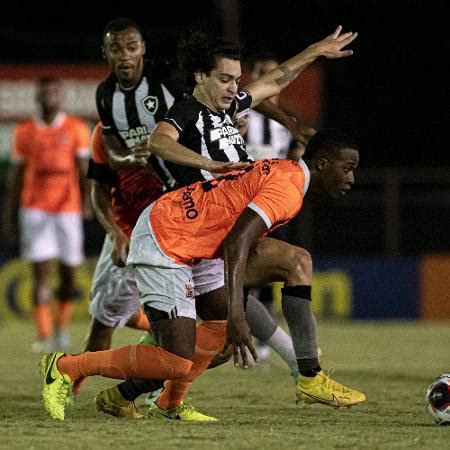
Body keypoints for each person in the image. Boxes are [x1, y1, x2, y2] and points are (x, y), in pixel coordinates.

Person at [40, 27, 366, 423]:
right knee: (167, 351)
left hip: (209, 236)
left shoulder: (226, 110)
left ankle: (168, 402)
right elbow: (159, 142)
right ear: (200, 77)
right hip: (176, 231)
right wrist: (208, 164)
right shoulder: (188, 111)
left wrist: (314, 49)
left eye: (235, 80)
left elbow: (272, 81)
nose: (234, 88)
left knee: (221, 336)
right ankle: (67, 367)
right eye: (225, 79)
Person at [74, 18, 246, 400]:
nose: (125, 55)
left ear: (144, 49)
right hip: (133, 226)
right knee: (105, 319)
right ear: (105, 54)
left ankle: (161, 394)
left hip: (183, 219)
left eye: (132, 46)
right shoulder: (108, 104)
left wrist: (227, 125)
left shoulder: (171, 88)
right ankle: (69, 378)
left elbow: (221, 95)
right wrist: (116, 232)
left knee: (215, 334)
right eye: (116, 48)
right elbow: (105, 173)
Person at [2, 77, 92, 353]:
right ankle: (44, 335)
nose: (49, 98)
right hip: (34, 209)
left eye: (54, 93)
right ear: (38, 98)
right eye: (44, 94)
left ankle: (61, 329)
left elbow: (83, 170)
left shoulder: (76, 129)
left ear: (60, 97)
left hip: (67, 210)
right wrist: (9, 213)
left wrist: (88, 201)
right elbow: (15, 177)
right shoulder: (25, 131)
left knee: (68, 275)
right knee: (40, 275)